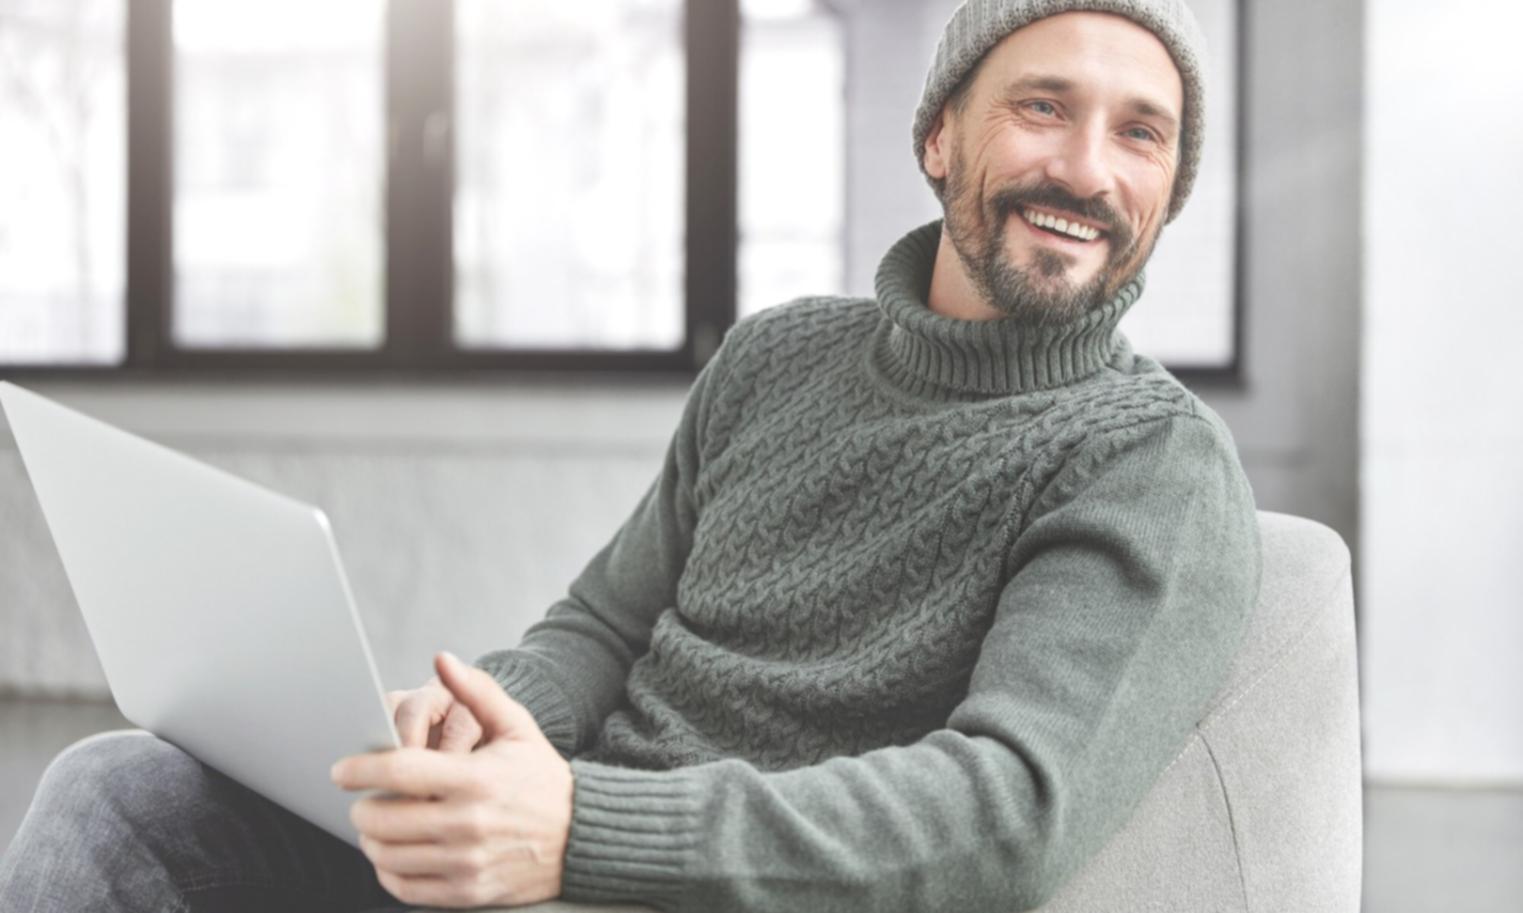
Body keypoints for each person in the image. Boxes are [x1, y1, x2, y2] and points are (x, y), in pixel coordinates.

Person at [0, 1, 1261, 910]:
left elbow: (1002, 816)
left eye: (1140, 135)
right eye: (1042, 108)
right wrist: (479, 721)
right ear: (938, 137)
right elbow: (601, 627)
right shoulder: (776, 357)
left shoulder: (1146, 463)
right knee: (118, 792)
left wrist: (575, 832)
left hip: (689, 882)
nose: (1086, 168)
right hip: (554, 842)